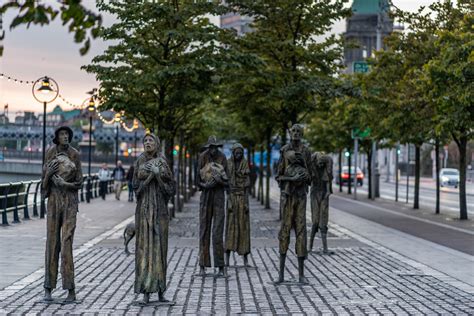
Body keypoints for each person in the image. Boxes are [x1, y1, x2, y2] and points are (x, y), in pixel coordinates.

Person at [41, 126, 83, 302]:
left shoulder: (75, 155)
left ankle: (70, 289)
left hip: (69, 203)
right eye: (62, 134)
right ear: (57, 137)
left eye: (67, 134)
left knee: (66, 244)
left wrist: (64, 184)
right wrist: (48, 175)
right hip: (53, 203)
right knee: (52, 244)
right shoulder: (50, 152)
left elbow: (79, 182)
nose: (65, 137)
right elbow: (43, 187)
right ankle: (48, 288)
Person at [133, 133, 175, 304]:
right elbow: (136, 189)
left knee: (160, 249)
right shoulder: (139, 162)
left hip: (160, 211)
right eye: (145, 141)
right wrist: (151, 176)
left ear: (157, 144)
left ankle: (160, 290)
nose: (147, 143)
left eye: (151, 140)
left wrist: (158, 176)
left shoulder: (163, 162)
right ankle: (145, 291)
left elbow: (170, 190)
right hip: (144, 210)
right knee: (145, 248)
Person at [276, 124, 312, 284]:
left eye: (299, 132)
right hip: (288, 196)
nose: (296, 134)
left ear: (302, 134)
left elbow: (312, 176)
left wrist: (305, 176)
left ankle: (301, 274)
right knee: (284, 231)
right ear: (290, 133)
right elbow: (278, 176)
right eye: (293, 131)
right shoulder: (284, 150)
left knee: (301, 230)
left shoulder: (306, 151)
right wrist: (291, 179)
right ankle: (281, 274)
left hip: (301, 197)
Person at [198, 135, 228, 277]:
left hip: (219, 196)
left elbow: (228, 182)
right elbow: (196, 179)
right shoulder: (202, 157)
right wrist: (205, 185)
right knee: (204, 230)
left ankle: (220, 265)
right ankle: (202, 265)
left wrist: (219, 181)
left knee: (217, 232)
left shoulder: (223, 158)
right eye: (211, 147)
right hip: (206, 196)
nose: (213, 150)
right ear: (208, 147)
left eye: (215, 147)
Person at [225, 143, 251, 267]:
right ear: (233, 153)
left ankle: (245, 258)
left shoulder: (245, 164)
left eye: (240, 153)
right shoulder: (228, 164)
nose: (238, 155)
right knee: (230, 227)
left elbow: (247, 187)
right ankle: (227, 258)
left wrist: (246, 203)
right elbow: (227, 186)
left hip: (242, 198)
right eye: (236, 153)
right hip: (232, 198)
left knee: (244, 227)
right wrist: (229, 201)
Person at [309, 152, 333, 253]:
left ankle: (325, 248)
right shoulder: (312, 168)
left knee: (323, 221)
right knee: (315, 221)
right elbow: (309, 181)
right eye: (319, 163)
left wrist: (326, 195)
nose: (320, 165)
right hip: (315, 194)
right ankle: (309, 246)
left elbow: (328, 189)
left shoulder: (325, 170)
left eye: (322, 164)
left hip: (323, 195)